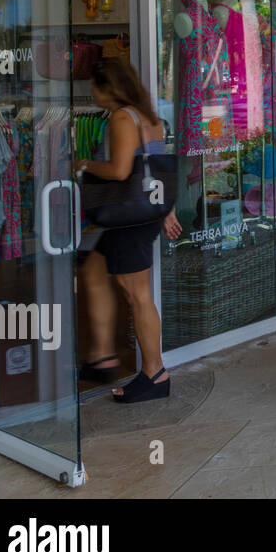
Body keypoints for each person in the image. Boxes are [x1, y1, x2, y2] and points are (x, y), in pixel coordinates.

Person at [74, 59, 181, 403]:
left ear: (109, 88)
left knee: (137, 294)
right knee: (93, 270)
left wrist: (84, 165)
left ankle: (155, 373)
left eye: (95, 86)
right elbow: (158, 168)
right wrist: (166, 210)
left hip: (128, 217)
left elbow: (121, 171)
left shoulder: (122, 118)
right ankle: (102, 356)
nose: (92, 92)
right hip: (141, 213)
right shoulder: (149, 116)